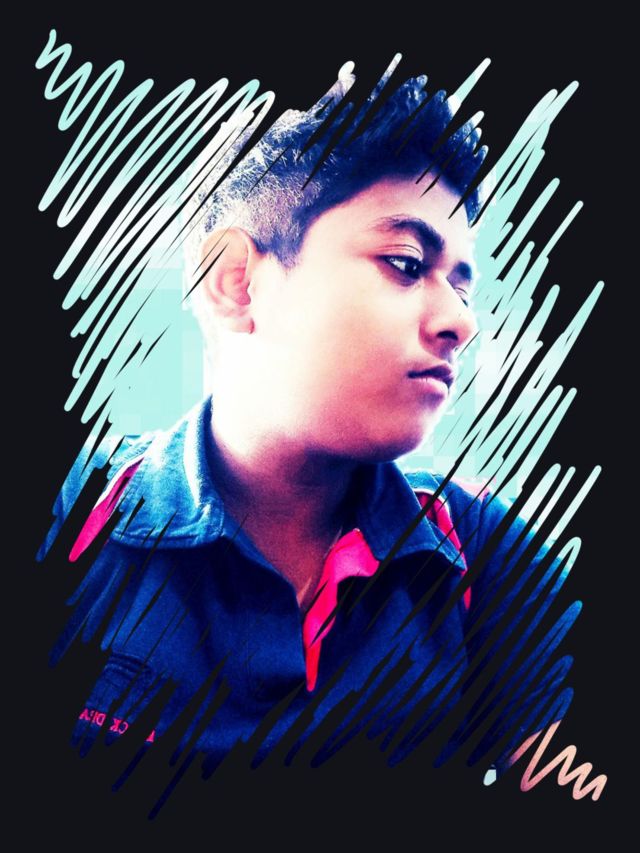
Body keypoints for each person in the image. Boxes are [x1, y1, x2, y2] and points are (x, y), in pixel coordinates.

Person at [39, 68, 572, 788]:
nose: (460, 321)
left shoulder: (482, 553)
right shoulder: (73, 519)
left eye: (460, 284)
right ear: (236, 282)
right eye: (406, 264)